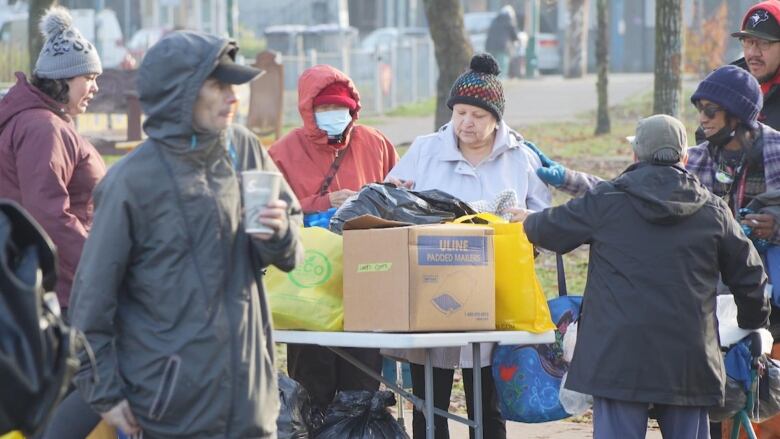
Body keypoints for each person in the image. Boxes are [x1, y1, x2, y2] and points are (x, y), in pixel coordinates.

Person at [69, 30, 303, 438]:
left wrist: (280, 232)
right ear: (180, 92)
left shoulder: (244, 149)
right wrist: (107, 395)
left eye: (235, 85)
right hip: (170, 413)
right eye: (218, 84)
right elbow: (91, 304)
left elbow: (290, 252)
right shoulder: (130, 183)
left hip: (251, 406)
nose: (234, 97)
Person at [523, 114, 770, 439]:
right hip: (688, 359)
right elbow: (751, 277)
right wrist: (752, 322)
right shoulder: (713, 211)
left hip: (617, 358)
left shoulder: (606, 201)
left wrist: (527, 218)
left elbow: (545, 230)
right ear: (684, 157)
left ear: (635, 155)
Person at [384, 53, 551, 439]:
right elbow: (392, 202)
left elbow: (545, 218)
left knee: (488, 407)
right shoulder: (426, 150)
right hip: (433, 291)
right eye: (459, 113)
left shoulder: (520, 157)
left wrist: (529, 225)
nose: (466, 123)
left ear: (496, 117)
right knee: (429, 405)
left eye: (477, 115)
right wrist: (397, 197)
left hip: (496, 297)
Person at [0, 7, 106, 438]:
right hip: (61, 288)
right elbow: (50, 216)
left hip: (34, 281)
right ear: (63, 80)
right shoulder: (45, 128)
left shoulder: (30, 120)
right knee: (87, 384)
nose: (95, 87)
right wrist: (100, 269)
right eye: (89, 78)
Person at [269, 64, 399, 415]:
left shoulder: (375, 143)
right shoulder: (282, 153)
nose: (334, 115)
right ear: (308, 111)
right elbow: (271, 212)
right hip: (308, 284)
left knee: (362, 388)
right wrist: (324, 203)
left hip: (368, 279)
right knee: (312, 383)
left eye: (340, 108)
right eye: (324, 109)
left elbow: (402, 197)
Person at [732, 0, 780, 129]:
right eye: (748, 42)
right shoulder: (729, 84)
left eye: (764, 43)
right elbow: (704, 137)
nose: (753, 52)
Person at [485, 5, 520, 78]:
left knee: (491, 66)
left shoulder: (495, 20)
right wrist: (518, 40)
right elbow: (514, 35)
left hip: (490, 45)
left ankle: (491, 80)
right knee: (502, 65)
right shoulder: (509, 20)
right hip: (502, 46)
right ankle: (501, 81)